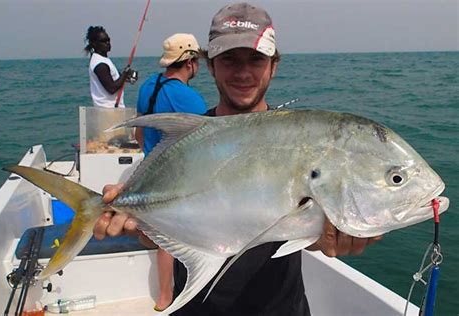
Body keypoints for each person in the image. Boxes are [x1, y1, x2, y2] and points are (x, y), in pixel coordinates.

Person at [93, 3, 382, 315]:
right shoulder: (190, 141)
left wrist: (330, 236)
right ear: (211, 65)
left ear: (274, 65)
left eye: (256, 59)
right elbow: (158, 239)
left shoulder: (299, 142)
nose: (243, 73)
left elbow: (300, 231)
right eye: (229, 59)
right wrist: (139, 225)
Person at [134, 33, 206, 311]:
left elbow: (140, 132)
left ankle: (164, 297)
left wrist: (147, 159)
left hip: (150, 169)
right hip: (177, 177)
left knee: (160, 233)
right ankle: (168, 297)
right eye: (196, 59)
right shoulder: (188, 98)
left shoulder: (148, 86)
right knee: (172, 238)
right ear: (189, 61)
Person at [84, 26, 137, 108]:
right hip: (108, 110)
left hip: (111, 110)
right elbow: (111, 88)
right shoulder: (99, 63)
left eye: (108, 40)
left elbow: (114, 81)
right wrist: (125, 73)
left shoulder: (103, 59)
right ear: (94, 44)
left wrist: (127, 77)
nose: (107, 43)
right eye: (103, 41)